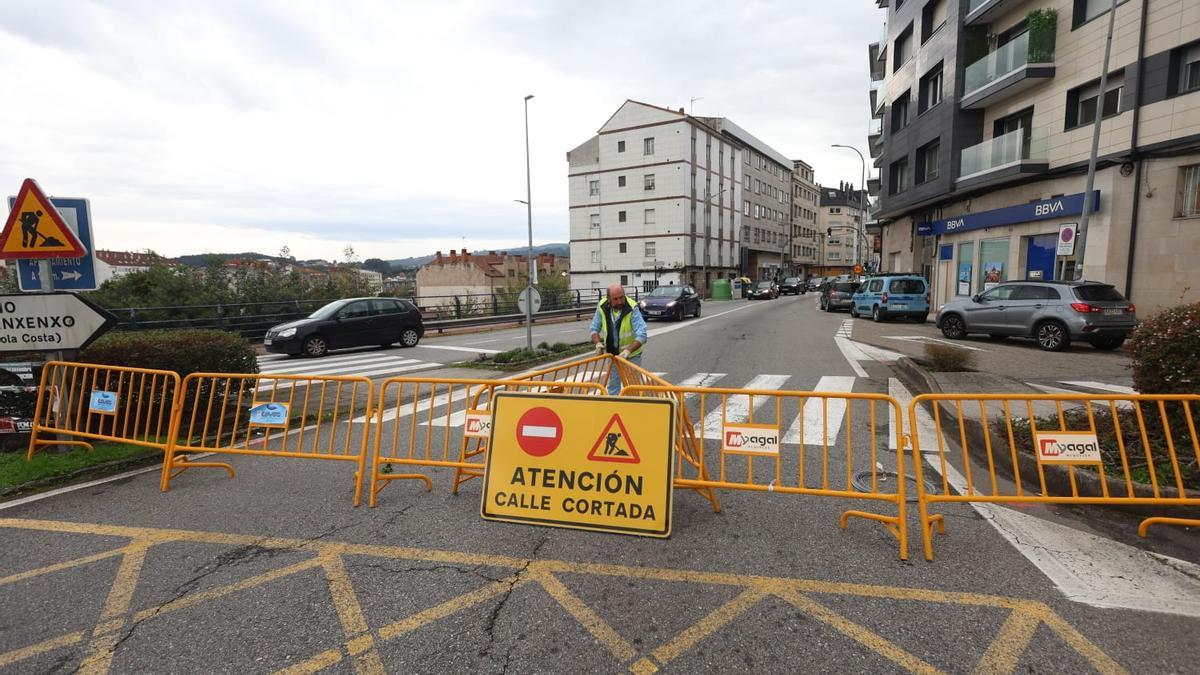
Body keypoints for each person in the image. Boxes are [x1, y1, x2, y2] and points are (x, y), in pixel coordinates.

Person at [590, 283, 647, 395]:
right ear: (608, 299)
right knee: (613, 387)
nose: (620, 301)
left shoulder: (632, 308)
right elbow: (594, 328)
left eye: (622, 297)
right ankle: (614, 409)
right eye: (615, 299)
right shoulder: (602, 306)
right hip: (613, 355)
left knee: (632, 388)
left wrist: (627, 351)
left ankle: (632, 410)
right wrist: (598, 344)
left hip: (632, 355)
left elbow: (642, 335)